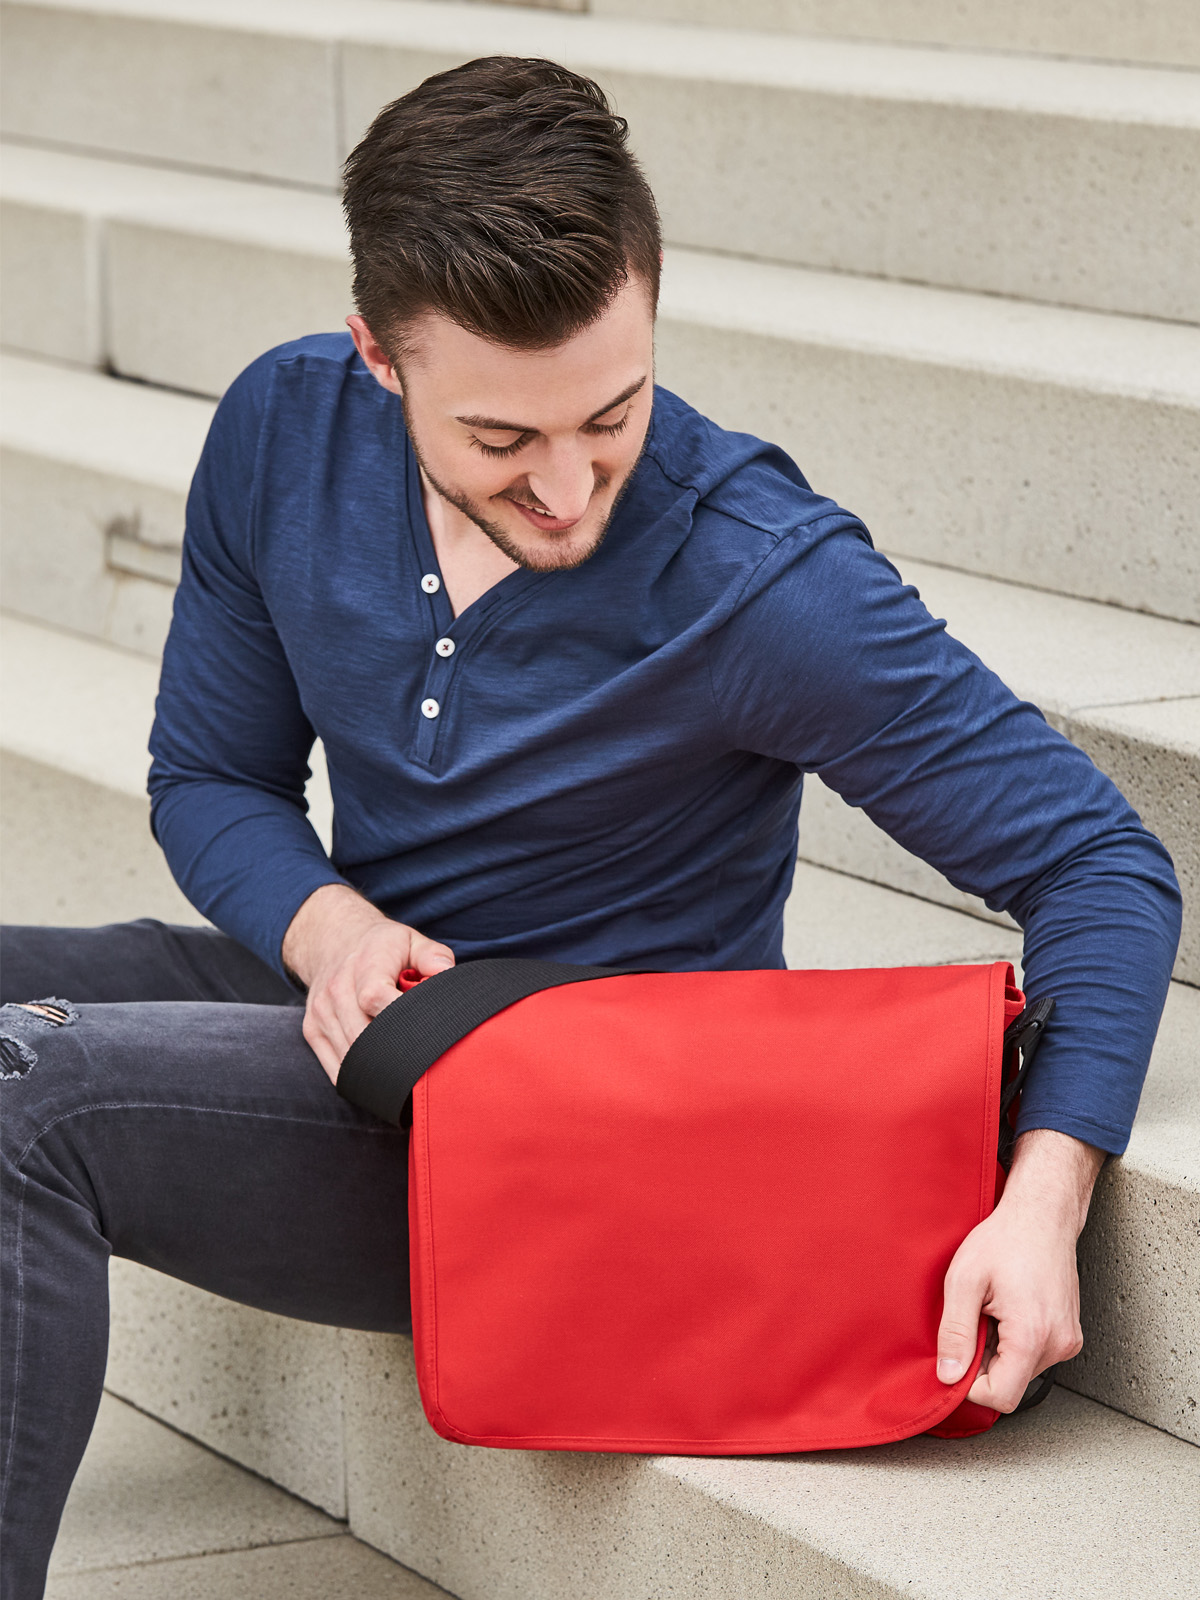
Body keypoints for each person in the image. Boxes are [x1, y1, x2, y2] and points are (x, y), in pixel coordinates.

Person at [0, 55, 1180, 1599]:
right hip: (377, 1020)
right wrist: (331, 929)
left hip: (595, 1148)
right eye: (503, 439)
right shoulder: (285, 431)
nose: (568, 487)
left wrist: (1044, 1195)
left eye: (611, 413)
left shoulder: (761, 577)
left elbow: (1098, 864)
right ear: (378, 355)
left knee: (25, 1102)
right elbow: (212, 778)